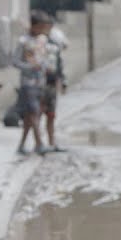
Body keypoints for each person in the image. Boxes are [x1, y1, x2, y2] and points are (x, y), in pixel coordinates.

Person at [13, 11, 51, 156]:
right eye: (40, 27)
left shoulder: (42, 41)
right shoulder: (23, 41)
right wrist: (29, 67)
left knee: (32, 115)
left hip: (40, 82)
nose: (42, 30)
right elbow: (15, 61)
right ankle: (39, 143)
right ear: (34, 26)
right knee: (34, 111)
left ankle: (22, 144)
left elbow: (45, 58)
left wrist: (44, 65)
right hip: (28, 83)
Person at [40, 18, 68, 153]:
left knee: (51, 115)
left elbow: (60, 64)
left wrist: (62, 81)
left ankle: (51, 142)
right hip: (39, 85)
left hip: (51, 85)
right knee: (37, 114)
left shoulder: (54, 45)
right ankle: (38, 142)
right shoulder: (37, 44)